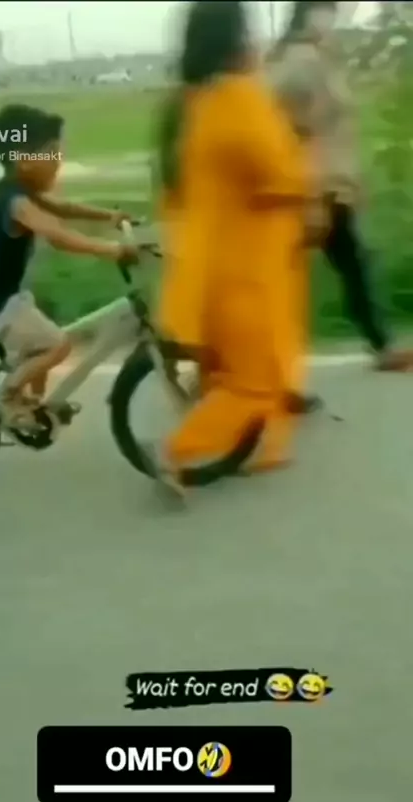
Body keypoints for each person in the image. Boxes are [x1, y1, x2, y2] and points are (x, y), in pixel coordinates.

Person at [152, 0, 319, 503]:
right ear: (236, 42)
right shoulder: (238, 99)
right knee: (257, 381)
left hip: (206, 263)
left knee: (232, 370)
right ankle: (176, 452)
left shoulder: (192, 103)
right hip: (245, 269)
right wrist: (306, 170)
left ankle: (260, 448)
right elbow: (281, 174)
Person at [266, 0, 413, 374]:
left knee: (342, 264)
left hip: (327, 185)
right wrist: (315, 193)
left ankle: (379, 344)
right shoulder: (299, 62)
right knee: (341, 265)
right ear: (307, 13)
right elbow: (297, 130)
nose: (332, 18)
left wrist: (350, 181)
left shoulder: (317, 57)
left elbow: (335, 129)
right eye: (325, 9)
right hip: (312, 187)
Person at [0, 104, 137, 426]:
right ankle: (5, 396)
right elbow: (57, 235)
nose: (59, 161)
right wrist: (112, 250)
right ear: (24, 160)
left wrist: (110, 216)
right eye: (52, 154)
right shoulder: (16, 202)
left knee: (41, 350)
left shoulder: (21, 190)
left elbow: (64, 209)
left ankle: (32, 407)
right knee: (58, 346)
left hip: (9, 296)